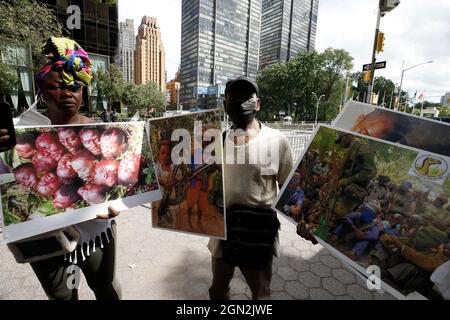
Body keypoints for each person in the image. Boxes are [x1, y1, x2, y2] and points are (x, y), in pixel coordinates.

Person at [1, 37, 121, 300]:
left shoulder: (99, 133)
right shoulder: (18, 132)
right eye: (57, 87)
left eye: (75, 87)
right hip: (44, 237)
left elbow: (116, 186)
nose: (68, 93)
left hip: (95, 232)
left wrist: (116, 204)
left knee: (105, 287)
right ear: (41, 92)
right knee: (63, 296)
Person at [207, 76, 293, 300]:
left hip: (257, 231)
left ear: (258, 104)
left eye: (247, 97)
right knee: (217, 289)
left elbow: (289, 190)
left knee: (261, 293)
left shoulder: (277, 141)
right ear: (225, 104)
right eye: (233, 98)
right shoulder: (217, 141)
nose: (240, 102)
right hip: (223, 229)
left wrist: (306, 222)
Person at [332, 133, 377, 218]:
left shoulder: (361, 147)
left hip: (353, 192)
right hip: (346, 191)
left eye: (341, 141)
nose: (341, 144)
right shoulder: (353, 149)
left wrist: (348, 180)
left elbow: (371, 172)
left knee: (338, 215)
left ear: (347, 136)